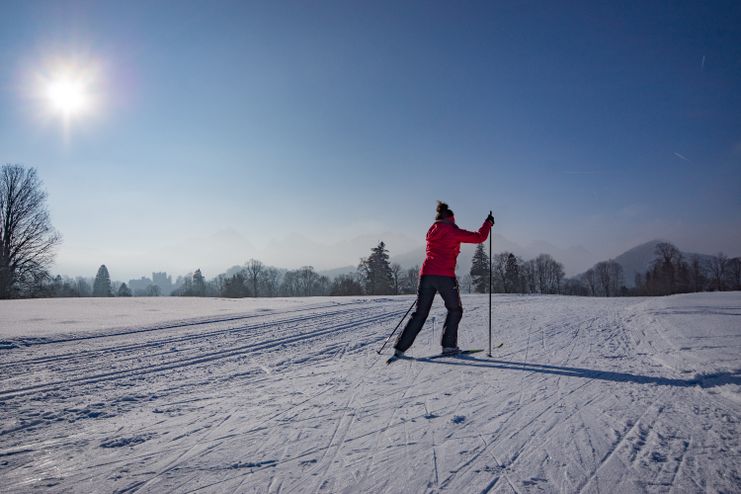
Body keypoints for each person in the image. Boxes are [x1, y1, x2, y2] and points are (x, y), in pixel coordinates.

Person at [394, 201, 494, 357]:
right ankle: (448, 346)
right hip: (445, 276)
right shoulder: (452, 231)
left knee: (419, 313)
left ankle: (400, 348)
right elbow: (479, 237)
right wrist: (488, 223)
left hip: (426, 275)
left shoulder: (432, 230)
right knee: (455, 310)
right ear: (451, 218)